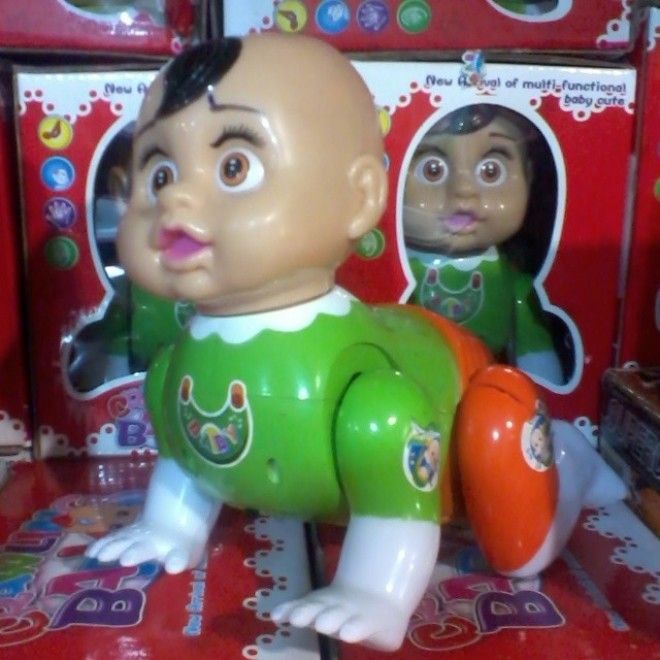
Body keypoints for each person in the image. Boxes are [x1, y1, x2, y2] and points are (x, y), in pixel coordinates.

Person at [88, 35, 624, 650]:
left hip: (467, 408)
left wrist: (375, 589)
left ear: (360, 198)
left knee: (516, 547)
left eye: (235, 167)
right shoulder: (174, 369)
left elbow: (396, 448)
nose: (175, 200)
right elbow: (188, 456)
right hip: (389, 354)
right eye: (160, 172)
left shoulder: (358, 380)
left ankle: (570, 464)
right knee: (167, 384)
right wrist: (170, 526)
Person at [404, 104, 567, 385]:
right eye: (432, 170)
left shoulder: (514, 286)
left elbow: (536, 360)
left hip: (491, 388)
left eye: (491, 171)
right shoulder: (400, 275)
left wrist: (541, 394)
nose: (463, 191)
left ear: (528, 176)